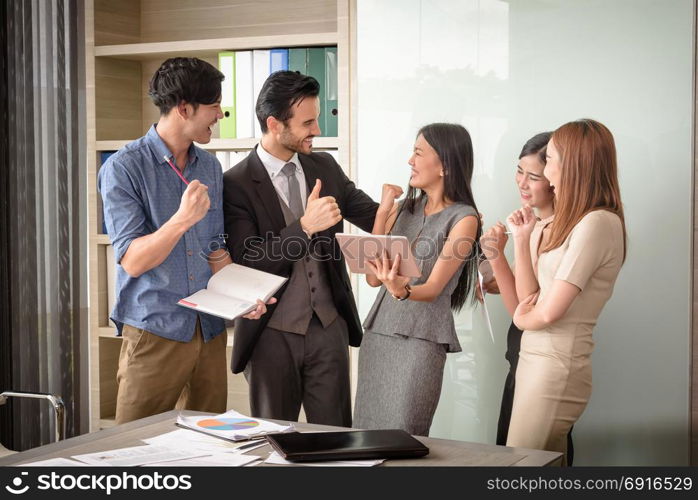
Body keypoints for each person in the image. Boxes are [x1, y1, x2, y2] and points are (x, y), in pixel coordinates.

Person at [98, 57, 270, 424]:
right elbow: (132, 259)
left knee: (210, 447)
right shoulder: (124, 167)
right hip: (154, 331)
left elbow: (215, 249)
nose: (219, 115)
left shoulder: (209, 167)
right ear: (184, 108)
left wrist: (241, 297)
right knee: (137, 449)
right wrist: (181, 220)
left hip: (207, 332)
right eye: (213, 106)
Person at [223, 71, 379, 426]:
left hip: (329, 328)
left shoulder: (325, 166)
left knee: (337, 439)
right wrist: (305, 226)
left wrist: (442, 208)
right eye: (308, 122)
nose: (318, 131)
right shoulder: (234, 184)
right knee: (275, 440)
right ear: (275, 124)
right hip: (270, 335)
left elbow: (373, 216)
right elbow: (247, 262)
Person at [505, 119, 626, 465]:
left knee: (524, 464)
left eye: (552, 158)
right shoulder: (569, 223)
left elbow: (547, 311)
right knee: (529, 463)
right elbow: (531, 297)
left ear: (574, 165)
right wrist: (524, 239)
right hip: (534, 357)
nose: (546, 168)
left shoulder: (598, 222)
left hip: (557, 364)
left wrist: (522, 314)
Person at [353, 123, 481, 436]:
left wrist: (402, 291)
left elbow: (434, 288)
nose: (410, 160)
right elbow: (372, 278)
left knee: (405, 434)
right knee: (365, 431)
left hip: (422, 340)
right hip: (379, 335)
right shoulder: (402, 210)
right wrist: (383, 213)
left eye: (419, 152)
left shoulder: (464, 219)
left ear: (445, 166)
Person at [481, 132, 574, 464]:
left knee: (531, 461)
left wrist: (500, 255)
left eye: (533, 176)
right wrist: (496, 255)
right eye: (519, 171)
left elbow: (525, 307)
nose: (522, 182)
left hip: (541, 363)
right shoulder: (532, 224)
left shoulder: (562, 231)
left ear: (555, 178)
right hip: (521, 356)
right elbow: (520, 306)